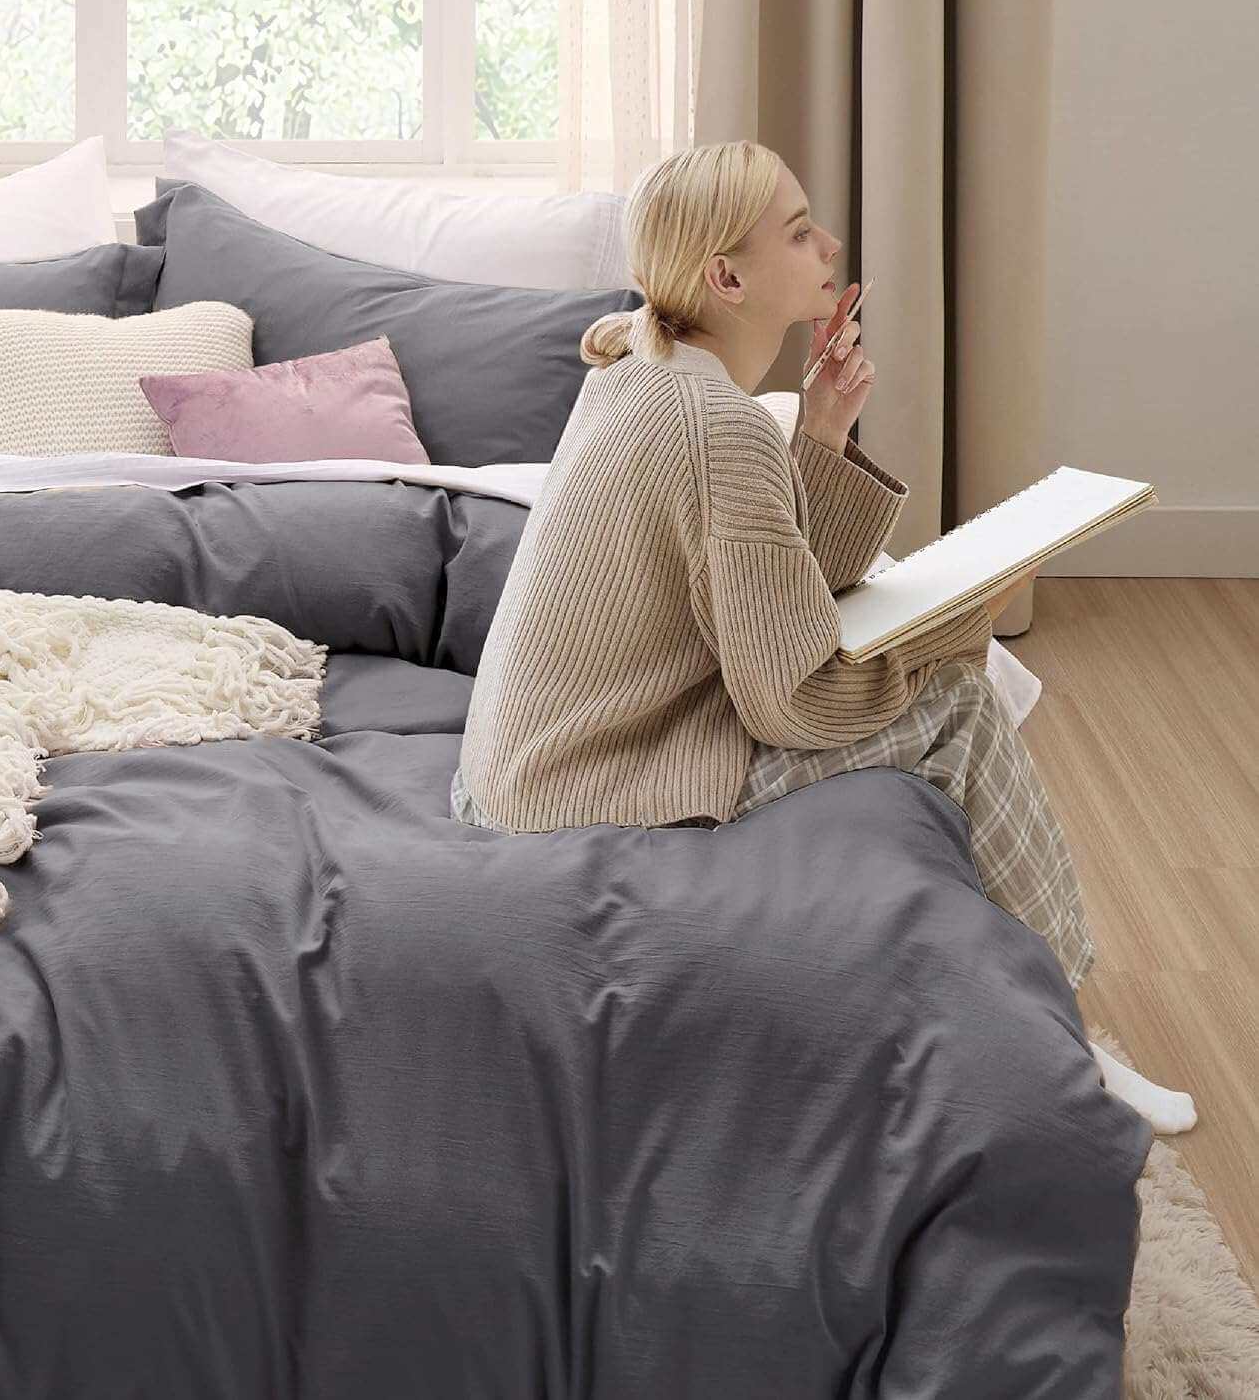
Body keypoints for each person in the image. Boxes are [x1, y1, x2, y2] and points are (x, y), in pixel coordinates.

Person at [449, 139, 1196, 1135]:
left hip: (520, 774)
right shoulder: (716, 424)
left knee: (940, 677)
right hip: (591, 792)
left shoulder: (642, 369)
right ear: (727, 278)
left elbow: (778, 598)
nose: (831, 246)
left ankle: (1020, 1009)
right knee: (961, 707)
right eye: (800, 233)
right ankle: (1064, 1034)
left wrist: (823, 435)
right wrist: (960, 624)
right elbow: (793, 701)